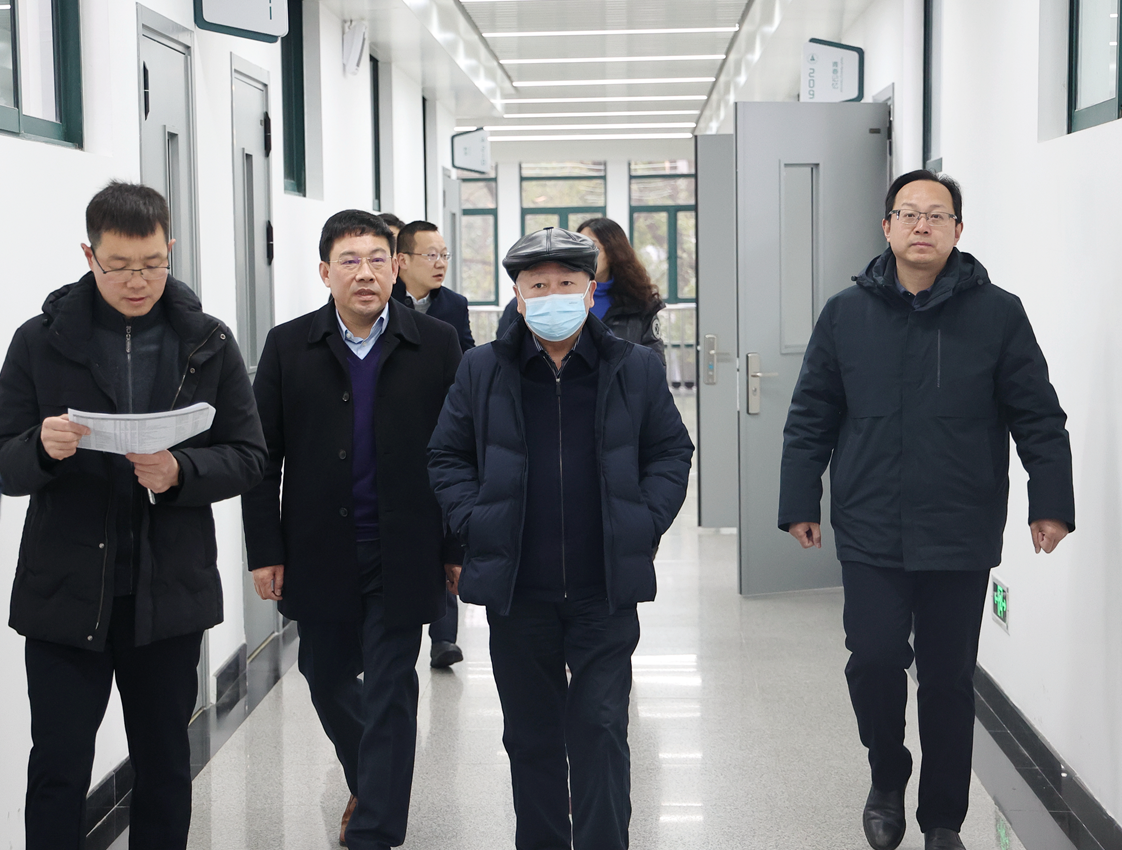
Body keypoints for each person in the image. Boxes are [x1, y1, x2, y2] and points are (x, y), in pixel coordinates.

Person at [778, 170, 1074, 850]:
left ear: (957, 230)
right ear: (886, 227)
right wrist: (799, 499)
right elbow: (811, 415)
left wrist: (1050, 502)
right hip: (871, 522)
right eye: (908, 213)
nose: (922, 225)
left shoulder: (998, 314)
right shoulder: (845, 315)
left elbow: (1038, 417)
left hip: (960, 526)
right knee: (874, 659)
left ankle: (943, 819)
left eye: (936, 215)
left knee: (948, 680)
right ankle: (887, 773)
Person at [0, 181, 267, 849]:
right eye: (118, 265)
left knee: (165, 765)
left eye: (152, 263)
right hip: (64, 594)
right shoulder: (38, 342)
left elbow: (250, 456)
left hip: (168, 594)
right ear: (88, 255)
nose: (138, 280)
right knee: (58, 768)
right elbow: (3, 463)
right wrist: (40, 449)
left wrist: (182, 472)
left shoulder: (207, 341)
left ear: (169, 248)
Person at [428, 226, 694, 850]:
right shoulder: (482, 369)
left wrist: (643, 521)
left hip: (604, 588)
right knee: (531, 737)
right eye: (538, 285)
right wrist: (475, 522)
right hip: (518, 589)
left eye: (566, 283)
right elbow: (446, 456)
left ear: (589, 291)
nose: (553, 295)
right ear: (519, 298)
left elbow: (670, 452)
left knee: (600, 730)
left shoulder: (634, 368)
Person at [241, 210, 462, 849]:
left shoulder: (437, 344)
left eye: (376, 259)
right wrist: (265, 550)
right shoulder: (288, 346)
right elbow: (262, 459)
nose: (364, 273)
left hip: (406, 546)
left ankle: (374, 830)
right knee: (325, 674)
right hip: (319, 548)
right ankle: (372, 780)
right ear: (324, 272)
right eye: (349, 261)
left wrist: (456, 544)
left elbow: (460, 453)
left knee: (391, 686)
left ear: (396, 268)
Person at [390, 219, 474, 669]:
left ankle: (444, 636)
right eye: (431, 255)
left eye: (444, 255)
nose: (440, 263)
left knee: (447, 528)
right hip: (399, 432)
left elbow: (467, 358)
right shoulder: (381, 300)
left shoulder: (454, 305)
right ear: (402, 261)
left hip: (443, 428)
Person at [495, 216, 664, 363]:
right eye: (539, 285)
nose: (587, 253)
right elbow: (503, 357)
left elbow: (653, 365)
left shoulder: (639, 305)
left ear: (614, 252)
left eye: (594, 247)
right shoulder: (526, 304)